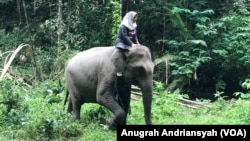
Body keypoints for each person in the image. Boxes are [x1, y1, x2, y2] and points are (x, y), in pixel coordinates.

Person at [114, 11, 141, 76]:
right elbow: (124, 36)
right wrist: (132, 44)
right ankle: (119, 70)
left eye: (136, 17)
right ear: (130, 17)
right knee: (123, 53)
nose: (136, 19)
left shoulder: (134, 25)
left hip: (130, 43)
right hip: (122, 42)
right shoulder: (123, 26)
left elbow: (135, 36)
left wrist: (137, 42)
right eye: (134, 17)